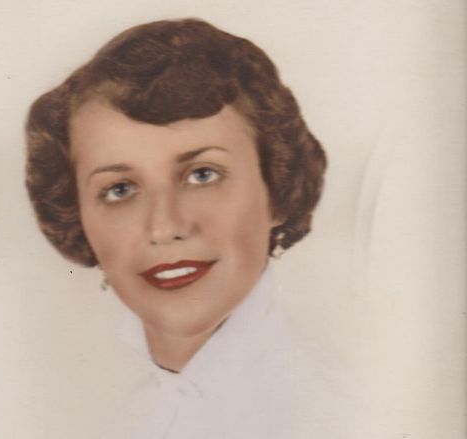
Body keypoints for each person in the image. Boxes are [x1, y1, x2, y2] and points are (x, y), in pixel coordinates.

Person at [25, 18, 371, 439]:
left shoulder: (329, 417)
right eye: (120, 189)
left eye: (202, 175)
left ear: (277, 191)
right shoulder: (132, 420)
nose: (164, 226)